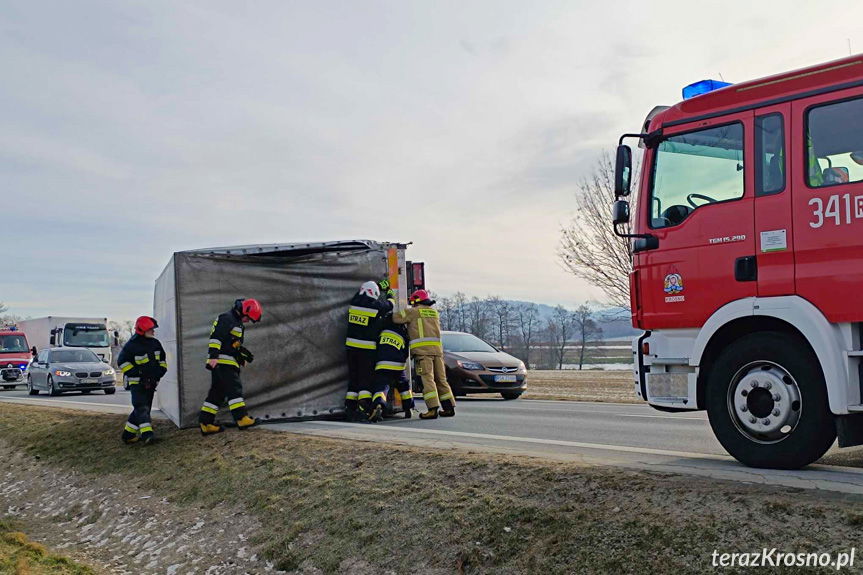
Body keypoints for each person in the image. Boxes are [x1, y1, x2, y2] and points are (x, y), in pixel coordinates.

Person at [199, 298, 262, 435]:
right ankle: (241, 418)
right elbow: (216, 338)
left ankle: (206, 423)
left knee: (217, 393)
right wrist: (213, 356)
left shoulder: (237, 323)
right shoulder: (227, 318)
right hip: (223, 362)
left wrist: (240, 357)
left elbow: (232, 344)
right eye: (248, 318)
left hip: (228, 361)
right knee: (234, 388)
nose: (247, 321)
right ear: (243, 311)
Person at [392, 289, 455, 419]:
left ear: (415, 300)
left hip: (423, 353)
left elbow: (395, 318)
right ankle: (448, 407)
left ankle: (432, 409)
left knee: (428, 379)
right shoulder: (434, 312)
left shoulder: (413, 312)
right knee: (441, 380)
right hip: (437, 352)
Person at [345, 280, 394, 421]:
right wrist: (389, 293)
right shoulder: (375, 306)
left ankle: (350, 407)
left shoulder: (354, 302)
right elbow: (390, 305)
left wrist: (377, 285)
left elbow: (362, 293)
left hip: (351, 349)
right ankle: (363, 407)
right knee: (365, 380)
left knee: (353, 378)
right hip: (367, 350)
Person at [118, 316, 168, 445]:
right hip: (137, 383)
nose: (153, 331)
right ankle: (147, 434)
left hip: (151, 382)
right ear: (142, 330)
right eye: (151, 329)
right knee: (142, 407)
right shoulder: (131, 346)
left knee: (141, 409)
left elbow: (162, 360)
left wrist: (159, 372)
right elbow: (122, 362)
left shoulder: (155, 343)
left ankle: (128, 435)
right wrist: (138, 373)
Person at [367, 314, 414, 422]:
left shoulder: (382, 332)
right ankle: (408, 408)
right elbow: (406, 351)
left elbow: (375, 348)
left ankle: (378, 405)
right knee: (404, 387)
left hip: (382, 363)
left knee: (381, 386)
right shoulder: (403, 333)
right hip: (398, 365)